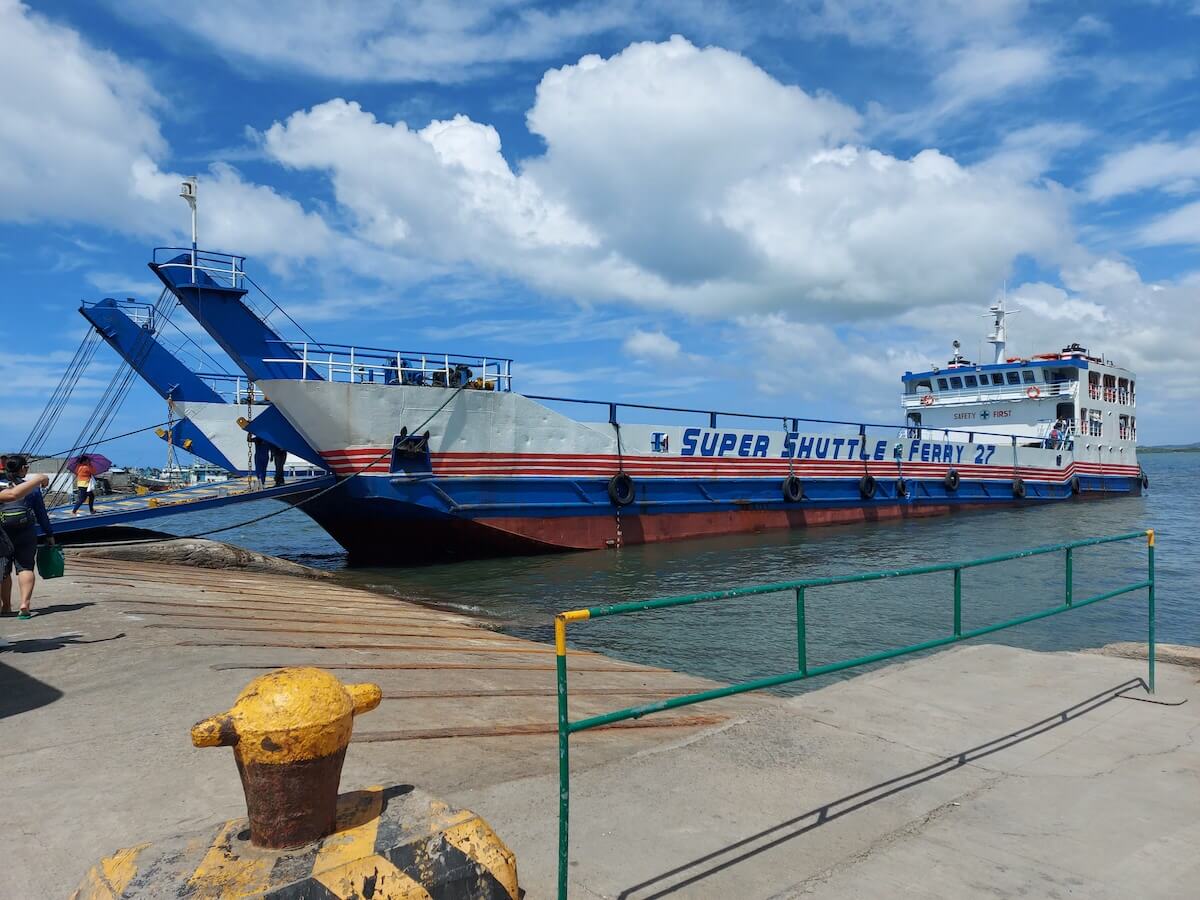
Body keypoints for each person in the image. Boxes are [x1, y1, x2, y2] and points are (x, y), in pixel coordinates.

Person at [1, 454, 54, 622]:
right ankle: (25, 603)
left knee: (4, 570)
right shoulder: (31, 488)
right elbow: (41, 514)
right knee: (25, 567)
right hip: (26, 531)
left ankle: (6, 605)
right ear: (23, 469)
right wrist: (49, 533)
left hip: (3, 533)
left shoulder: (2, 487)